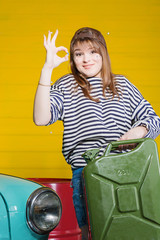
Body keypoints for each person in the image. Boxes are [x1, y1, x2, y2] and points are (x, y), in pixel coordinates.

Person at [33, 27, 160, 239]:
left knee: (136, 230)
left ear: (103, 53)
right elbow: (41, 118)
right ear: (73, 58)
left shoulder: (123, 85)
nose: (86, 59)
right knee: (94, 233)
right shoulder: (67, 85)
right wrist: (47, 69)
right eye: (78, 53)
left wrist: (140, 129)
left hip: (127, 170)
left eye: (93, 52)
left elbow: (153, 119)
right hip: (87, 172)